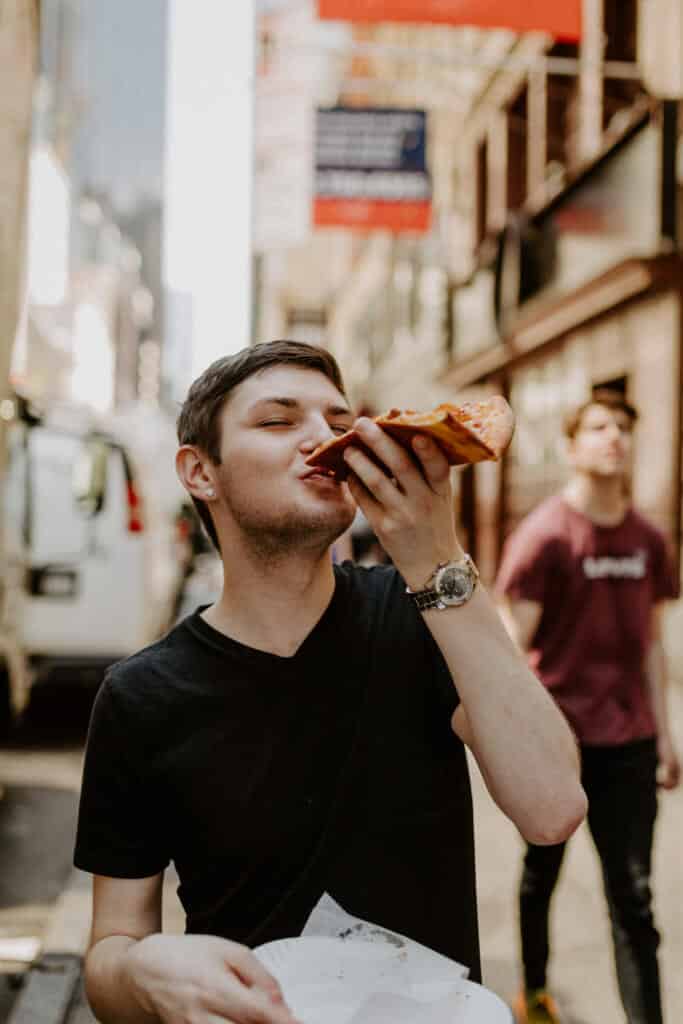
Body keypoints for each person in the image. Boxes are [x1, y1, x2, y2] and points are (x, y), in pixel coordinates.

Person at [74, 340, 586, 1024]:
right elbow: (112, 947)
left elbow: (551, 809)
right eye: (279, 420)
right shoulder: (142, 695)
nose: (324, 438)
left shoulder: (423, 614)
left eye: (338, 421)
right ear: (200, 472)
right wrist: (141, 970)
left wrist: (437, 557)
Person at [495, 390, 680, 1024]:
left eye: (624, 427)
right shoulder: (546, 536)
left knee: (634, 898)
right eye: (599, 426)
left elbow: (654, 646)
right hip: (559, 745)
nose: (614, 437)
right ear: (572, 446)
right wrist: (517, 739)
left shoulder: (649, 541)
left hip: (630, 742)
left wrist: (666, 736)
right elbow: (511, 646)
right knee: (538, 878)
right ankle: (538, 996)